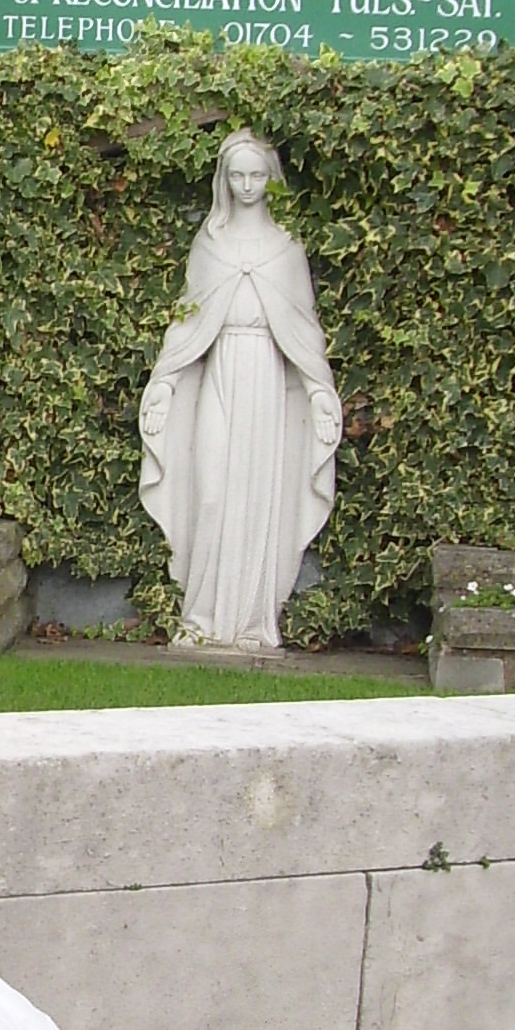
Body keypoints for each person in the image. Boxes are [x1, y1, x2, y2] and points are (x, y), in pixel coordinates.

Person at [137, 129, 340, 649]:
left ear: (270, 179)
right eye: (237, 176)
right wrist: (165, 382)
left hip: (267, 378)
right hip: (220, 370)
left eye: (256, 175)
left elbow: (303, 326)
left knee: (257, 496)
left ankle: (251, 621)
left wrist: (319, 391)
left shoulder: (285, 250)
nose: (247, 185)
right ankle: (201, 617)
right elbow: (187, 320)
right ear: (223, 181)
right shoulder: (211, 245)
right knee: (211, 492)